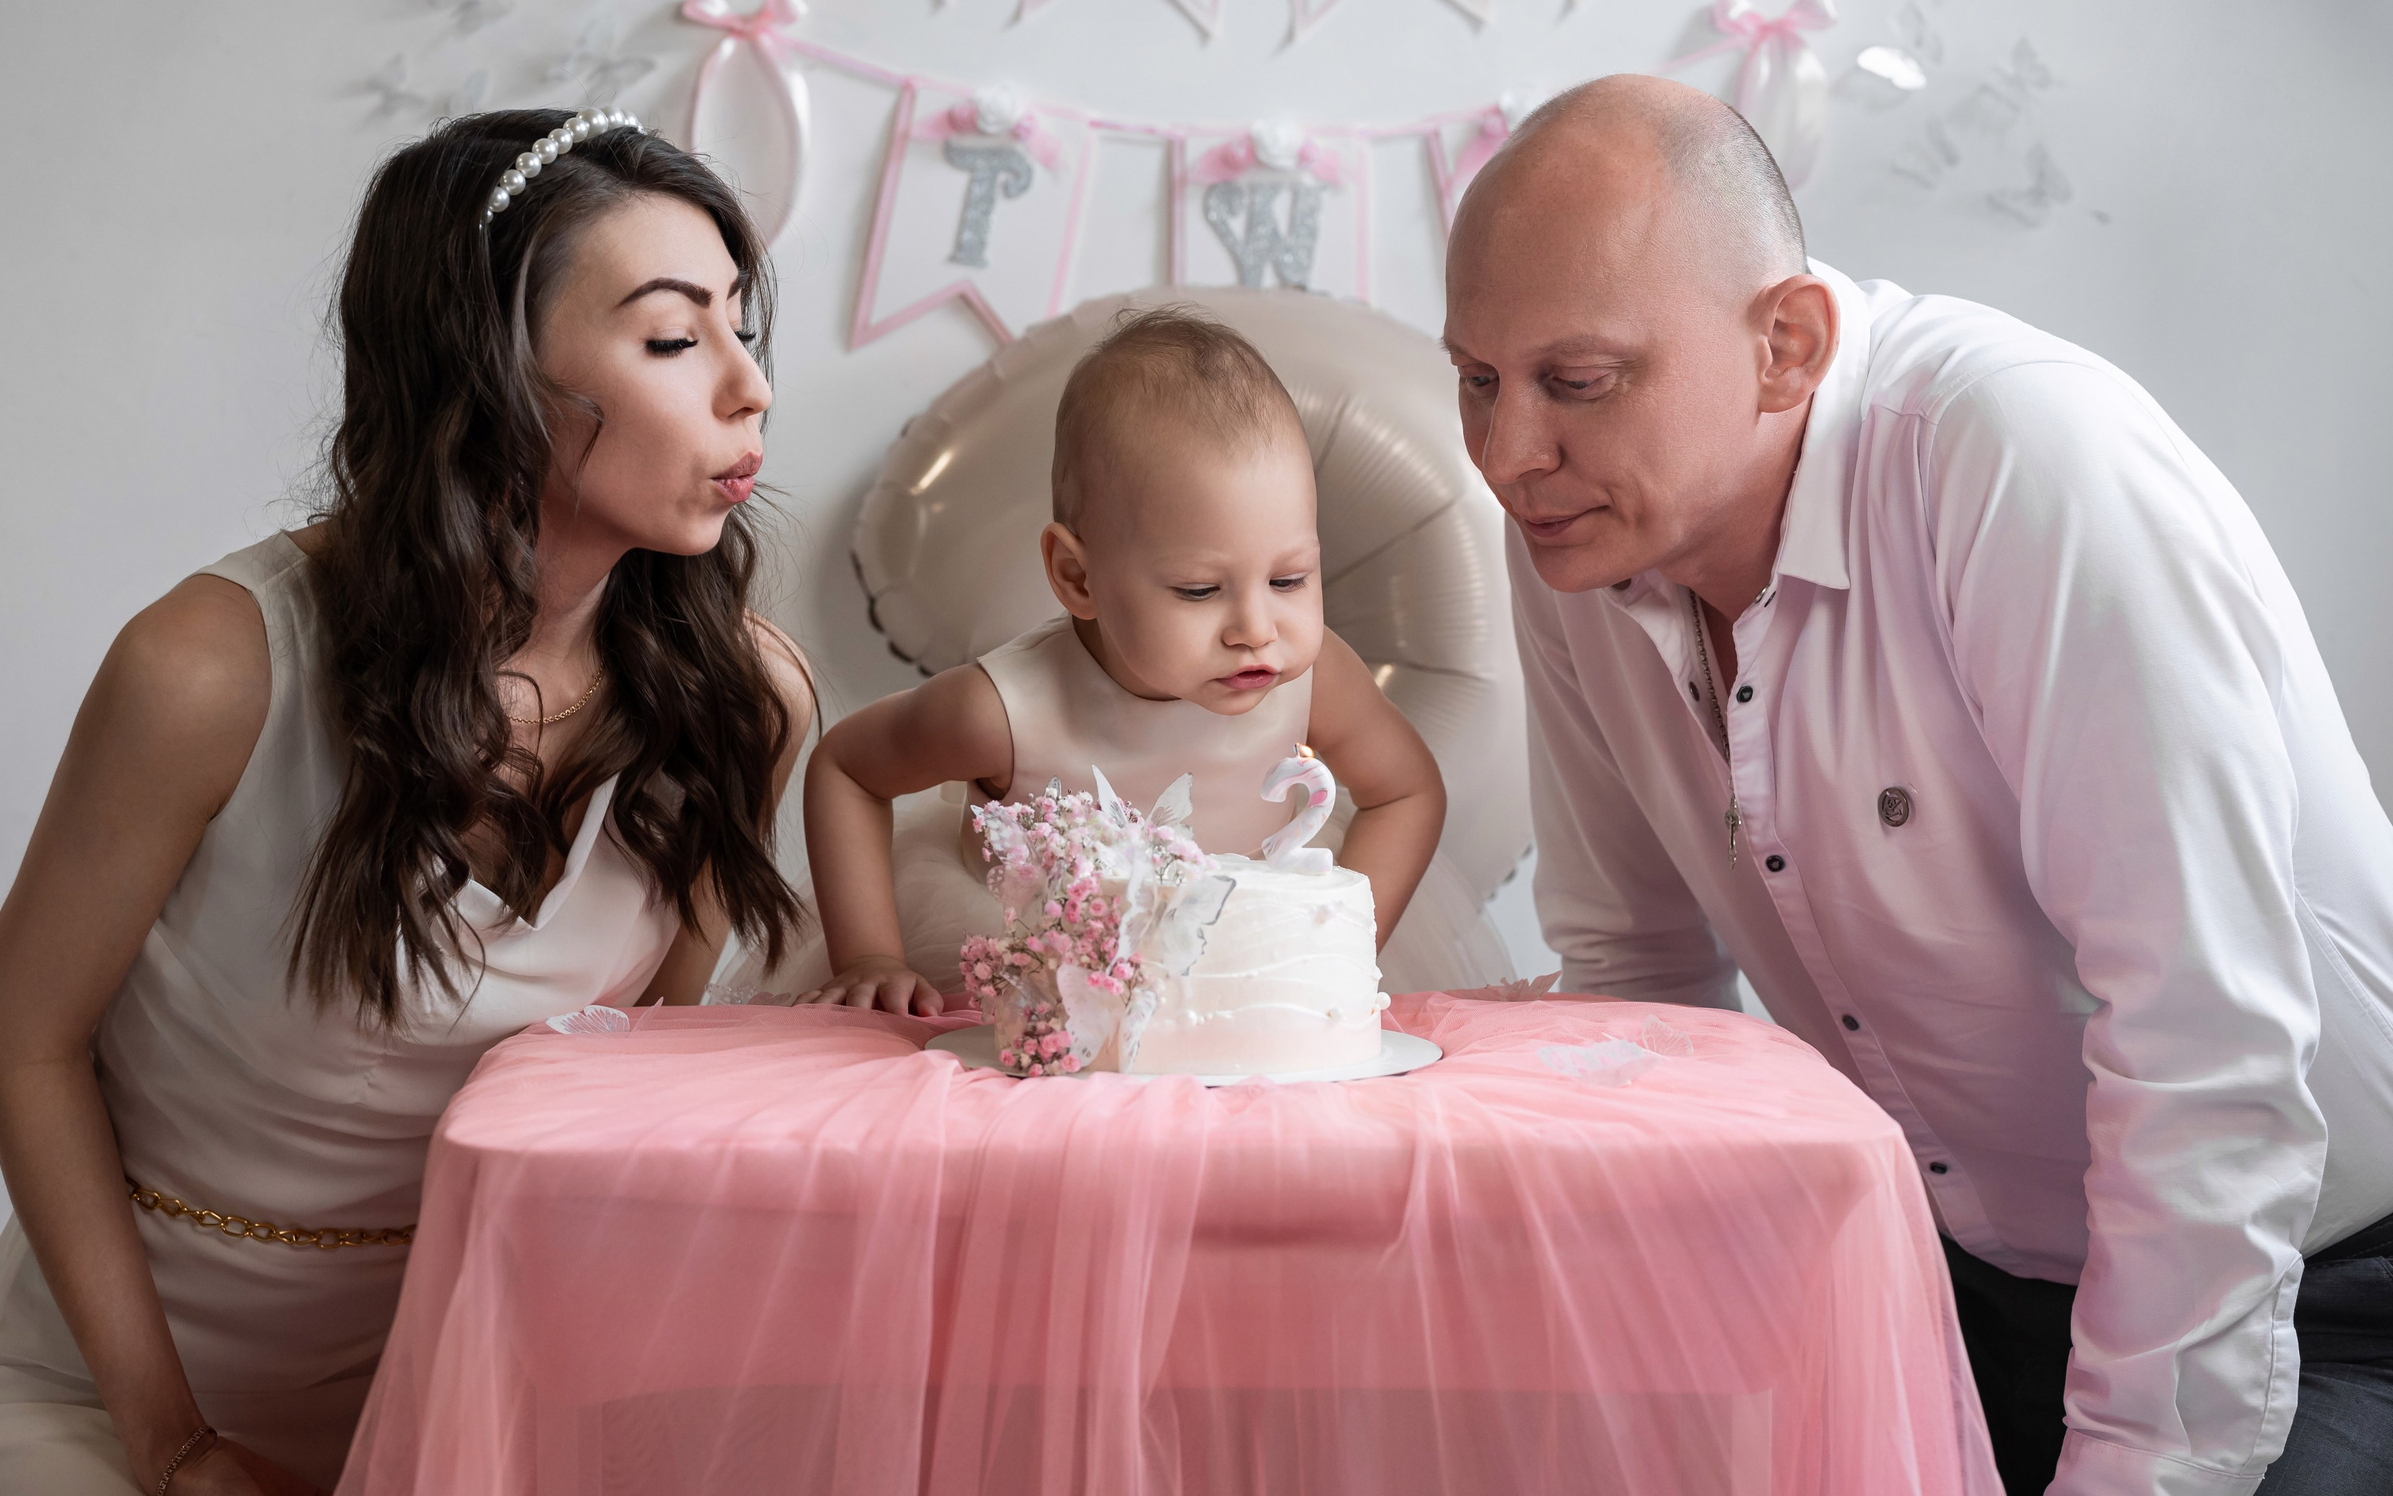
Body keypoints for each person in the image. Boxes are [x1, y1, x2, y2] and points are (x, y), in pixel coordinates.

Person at [1445, 74, 2393, 1496]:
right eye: (1476, 377)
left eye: (1577, 381)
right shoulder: (1578, 533)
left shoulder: (2020, 459)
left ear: (1787, 344)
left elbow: (2206, 1035)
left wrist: (2132, 1466)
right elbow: (1640, 978)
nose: (1510, 454)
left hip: (2318, 1285)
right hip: (1959, 1277)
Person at [0, 109, 815, 1496]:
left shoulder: (739, 704)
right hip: (126, 1403)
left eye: (741, 325)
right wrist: (174, 1449)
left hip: (473, 1387)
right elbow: (23, 1032)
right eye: (669, 337)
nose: (747, 386)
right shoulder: (211, 669)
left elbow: (628, 1099)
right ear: (485, 367)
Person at [798, 306, 1448, 1019]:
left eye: (1289, 579)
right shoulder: (1000, 712)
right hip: (1034, 977)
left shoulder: (1316, 678)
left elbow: (1406, 791)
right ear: (1078, 577)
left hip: (1242, 977)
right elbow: (848, 769)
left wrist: (1326, 951)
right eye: (1199, 590)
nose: (1257, 629)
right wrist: (869, 955)